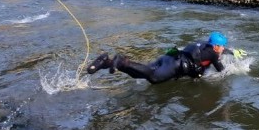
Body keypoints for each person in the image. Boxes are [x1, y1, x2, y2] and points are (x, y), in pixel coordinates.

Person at [86, 31, 247, 84]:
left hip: (169, 57)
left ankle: (107, 61)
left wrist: (233, 52)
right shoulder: (213, 54)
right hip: (175, 65)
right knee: (154, 78)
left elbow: (213, 54)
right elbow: (221, 70)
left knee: (143, 74)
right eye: (223, 46)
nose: (224, 48)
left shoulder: (205, 45)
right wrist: (232, 72)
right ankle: (120, 60)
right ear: (216, 46)